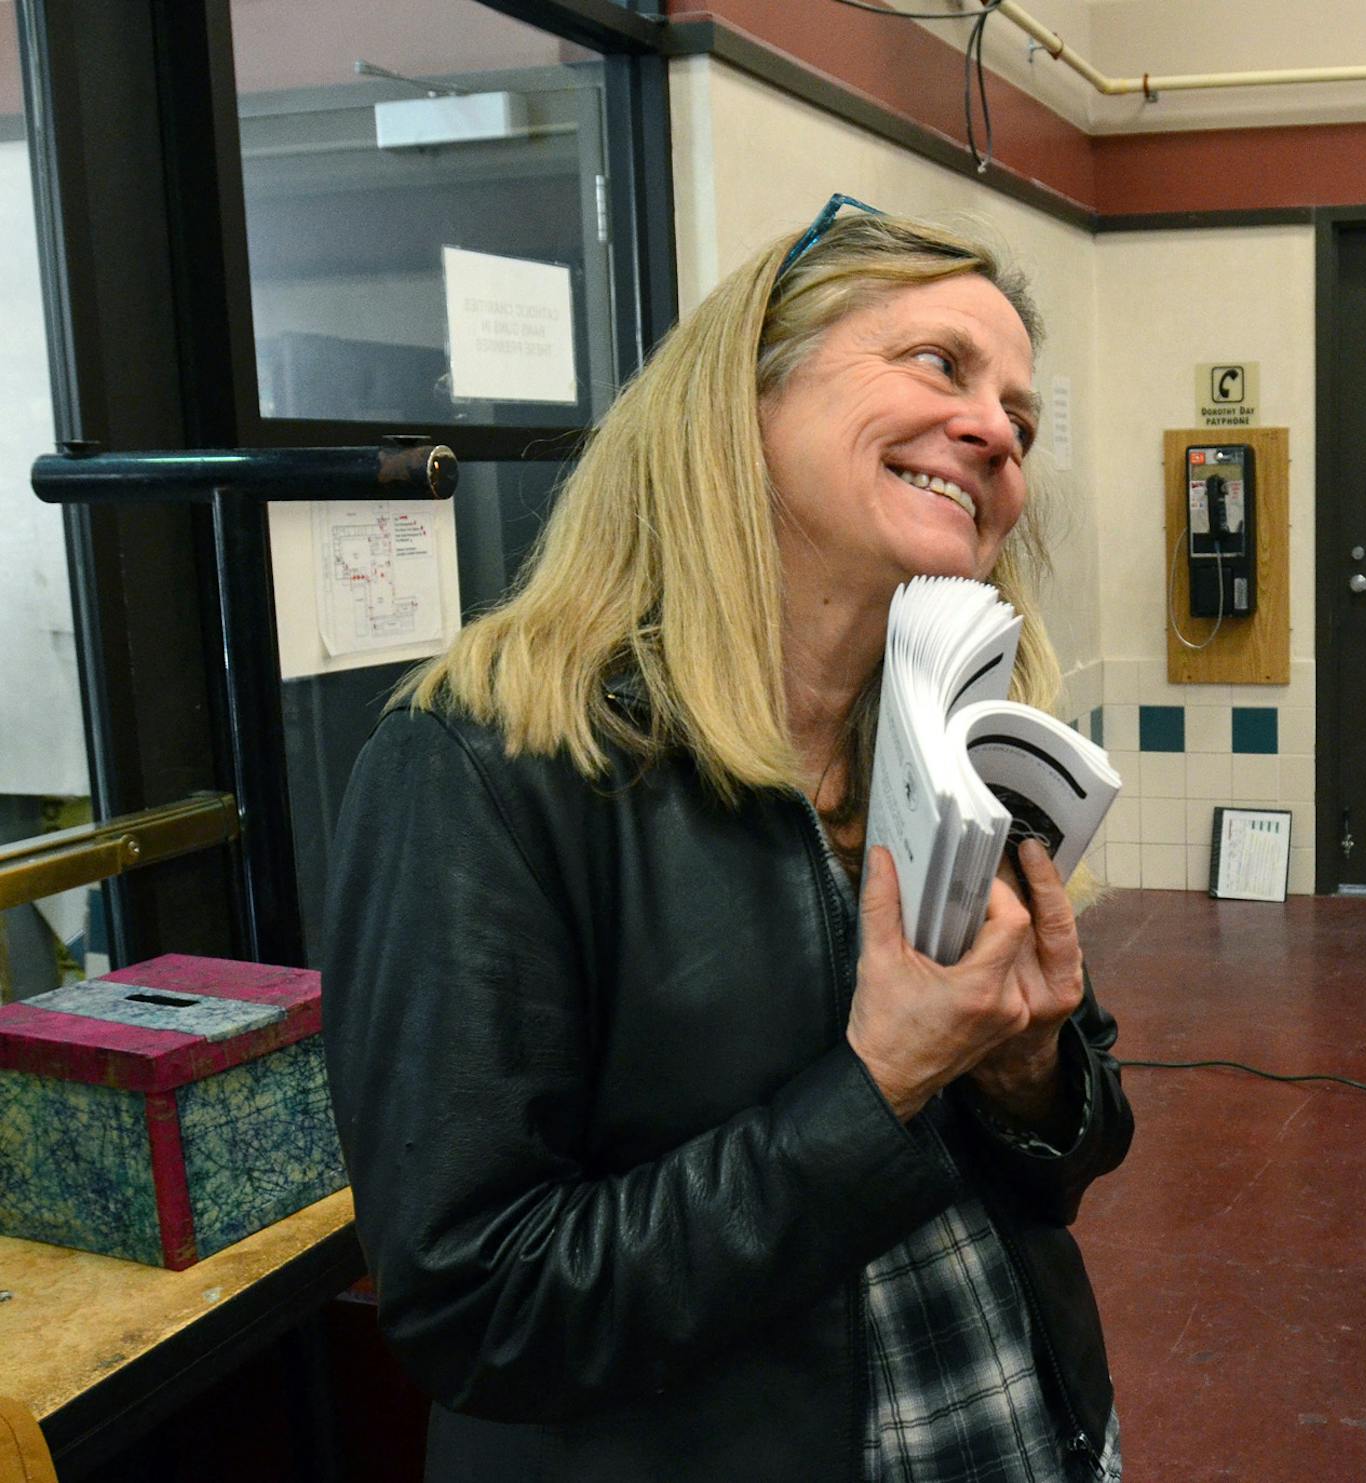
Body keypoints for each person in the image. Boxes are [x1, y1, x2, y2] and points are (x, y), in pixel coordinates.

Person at [321, 197, 1134, 1482]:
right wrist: (875, 1089)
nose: (995, 434)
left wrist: (1029, 1066)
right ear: (743, 393)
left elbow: (1068, 1165)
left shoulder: (955, 740)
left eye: (1021, 424)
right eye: (939, 366)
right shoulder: (486, 767)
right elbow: (478, 1307)